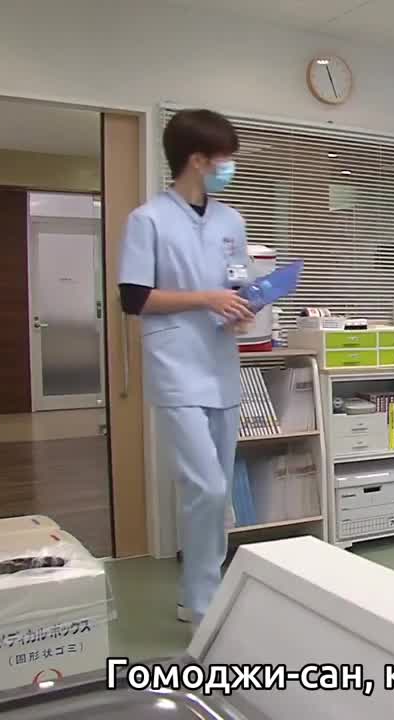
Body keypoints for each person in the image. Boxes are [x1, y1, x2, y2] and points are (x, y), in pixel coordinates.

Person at [118, 109, 253, 625]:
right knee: (208, 487)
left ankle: (196, 593)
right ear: (197, 160)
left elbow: (237, 283)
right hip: (175, 366)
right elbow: (134, 298)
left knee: (215, 493)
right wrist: (206, 298)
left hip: (221, 363)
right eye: (225, 158)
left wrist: (241, 307)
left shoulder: (231, 221)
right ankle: (203, 603)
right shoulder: (149, 219)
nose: (230, 167)